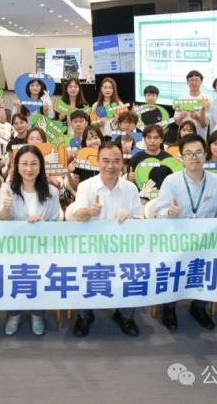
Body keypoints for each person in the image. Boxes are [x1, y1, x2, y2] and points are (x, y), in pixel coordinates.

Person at [155, 133, 217, 331]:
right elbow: (158, 213)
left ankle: (199, 306)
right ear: (181, 158)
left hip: (207, 242)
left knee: (215, 265)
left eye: (198, 152)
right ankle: (169, 308)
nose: (194, 157)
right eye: (189, 153)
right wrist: (169, 212)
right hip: (176, 240)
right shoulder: (171, 182)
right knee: (171, 268)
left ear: (205, 154)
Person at [70, 141, 144, 337]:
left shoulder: (130, 188)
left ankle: (125, 315)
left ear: (122, 163)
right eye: (106, 161)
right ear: (97, 162)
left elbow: (140, 220)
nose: (111, 166)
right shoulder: (86, 186)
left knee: (133, 271)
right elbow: (76, 216)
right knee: (84, 271)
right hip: (91, 248)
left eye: (116, 161)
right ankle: (85, 316)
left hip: (122, 248)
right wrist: (89, 211)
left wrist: (131, 219)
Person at [0, 145, 61, 336]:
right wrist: (5, 208)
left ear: (40, 167)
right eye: (24, 164)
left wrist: (42, 224)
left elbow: (55, 223)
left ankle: (37, 315)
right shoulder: (7, 188)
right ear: (17, 167)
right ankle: (14, 315)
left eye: (34, 164)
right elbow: (2, 221)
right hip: (14, 247)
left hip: (41, 248)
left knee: (39, 279)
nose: (29, 168)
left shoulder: (52, 191)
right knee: (14, 279)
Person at [127, 125, 172, 201]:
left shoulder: (169, 159)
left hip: (164, 199)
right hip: (141, 199)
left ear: (161, 140)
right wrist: (130, 180)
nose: (152, 141)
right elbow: (129, 185)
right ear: (144, 139)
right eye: (149, 137)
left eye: (156, 137)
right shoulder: (136, 158)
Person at [173, 70, 211, 139]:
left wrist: (197, 117)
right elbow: (177, 122)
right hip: (184, 137)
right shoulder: (181, 99)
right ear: (187, 82)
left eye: (196, 80)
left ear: (201, 82)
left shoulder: (206, 99)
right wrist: (181, 116)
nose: (194, 82)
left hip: (199, 137)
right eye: (191, 80)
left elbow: (205, 124)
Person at [66, 126, 103, 193]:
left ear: (101, 139)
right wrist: (68, 174)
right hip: (86, 194)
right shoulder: (80, 157)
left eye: (96, 138)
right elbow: (76, 188)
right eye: (89, 139)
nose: (93, 141)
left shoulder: (108, 156)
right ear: (84, 142)